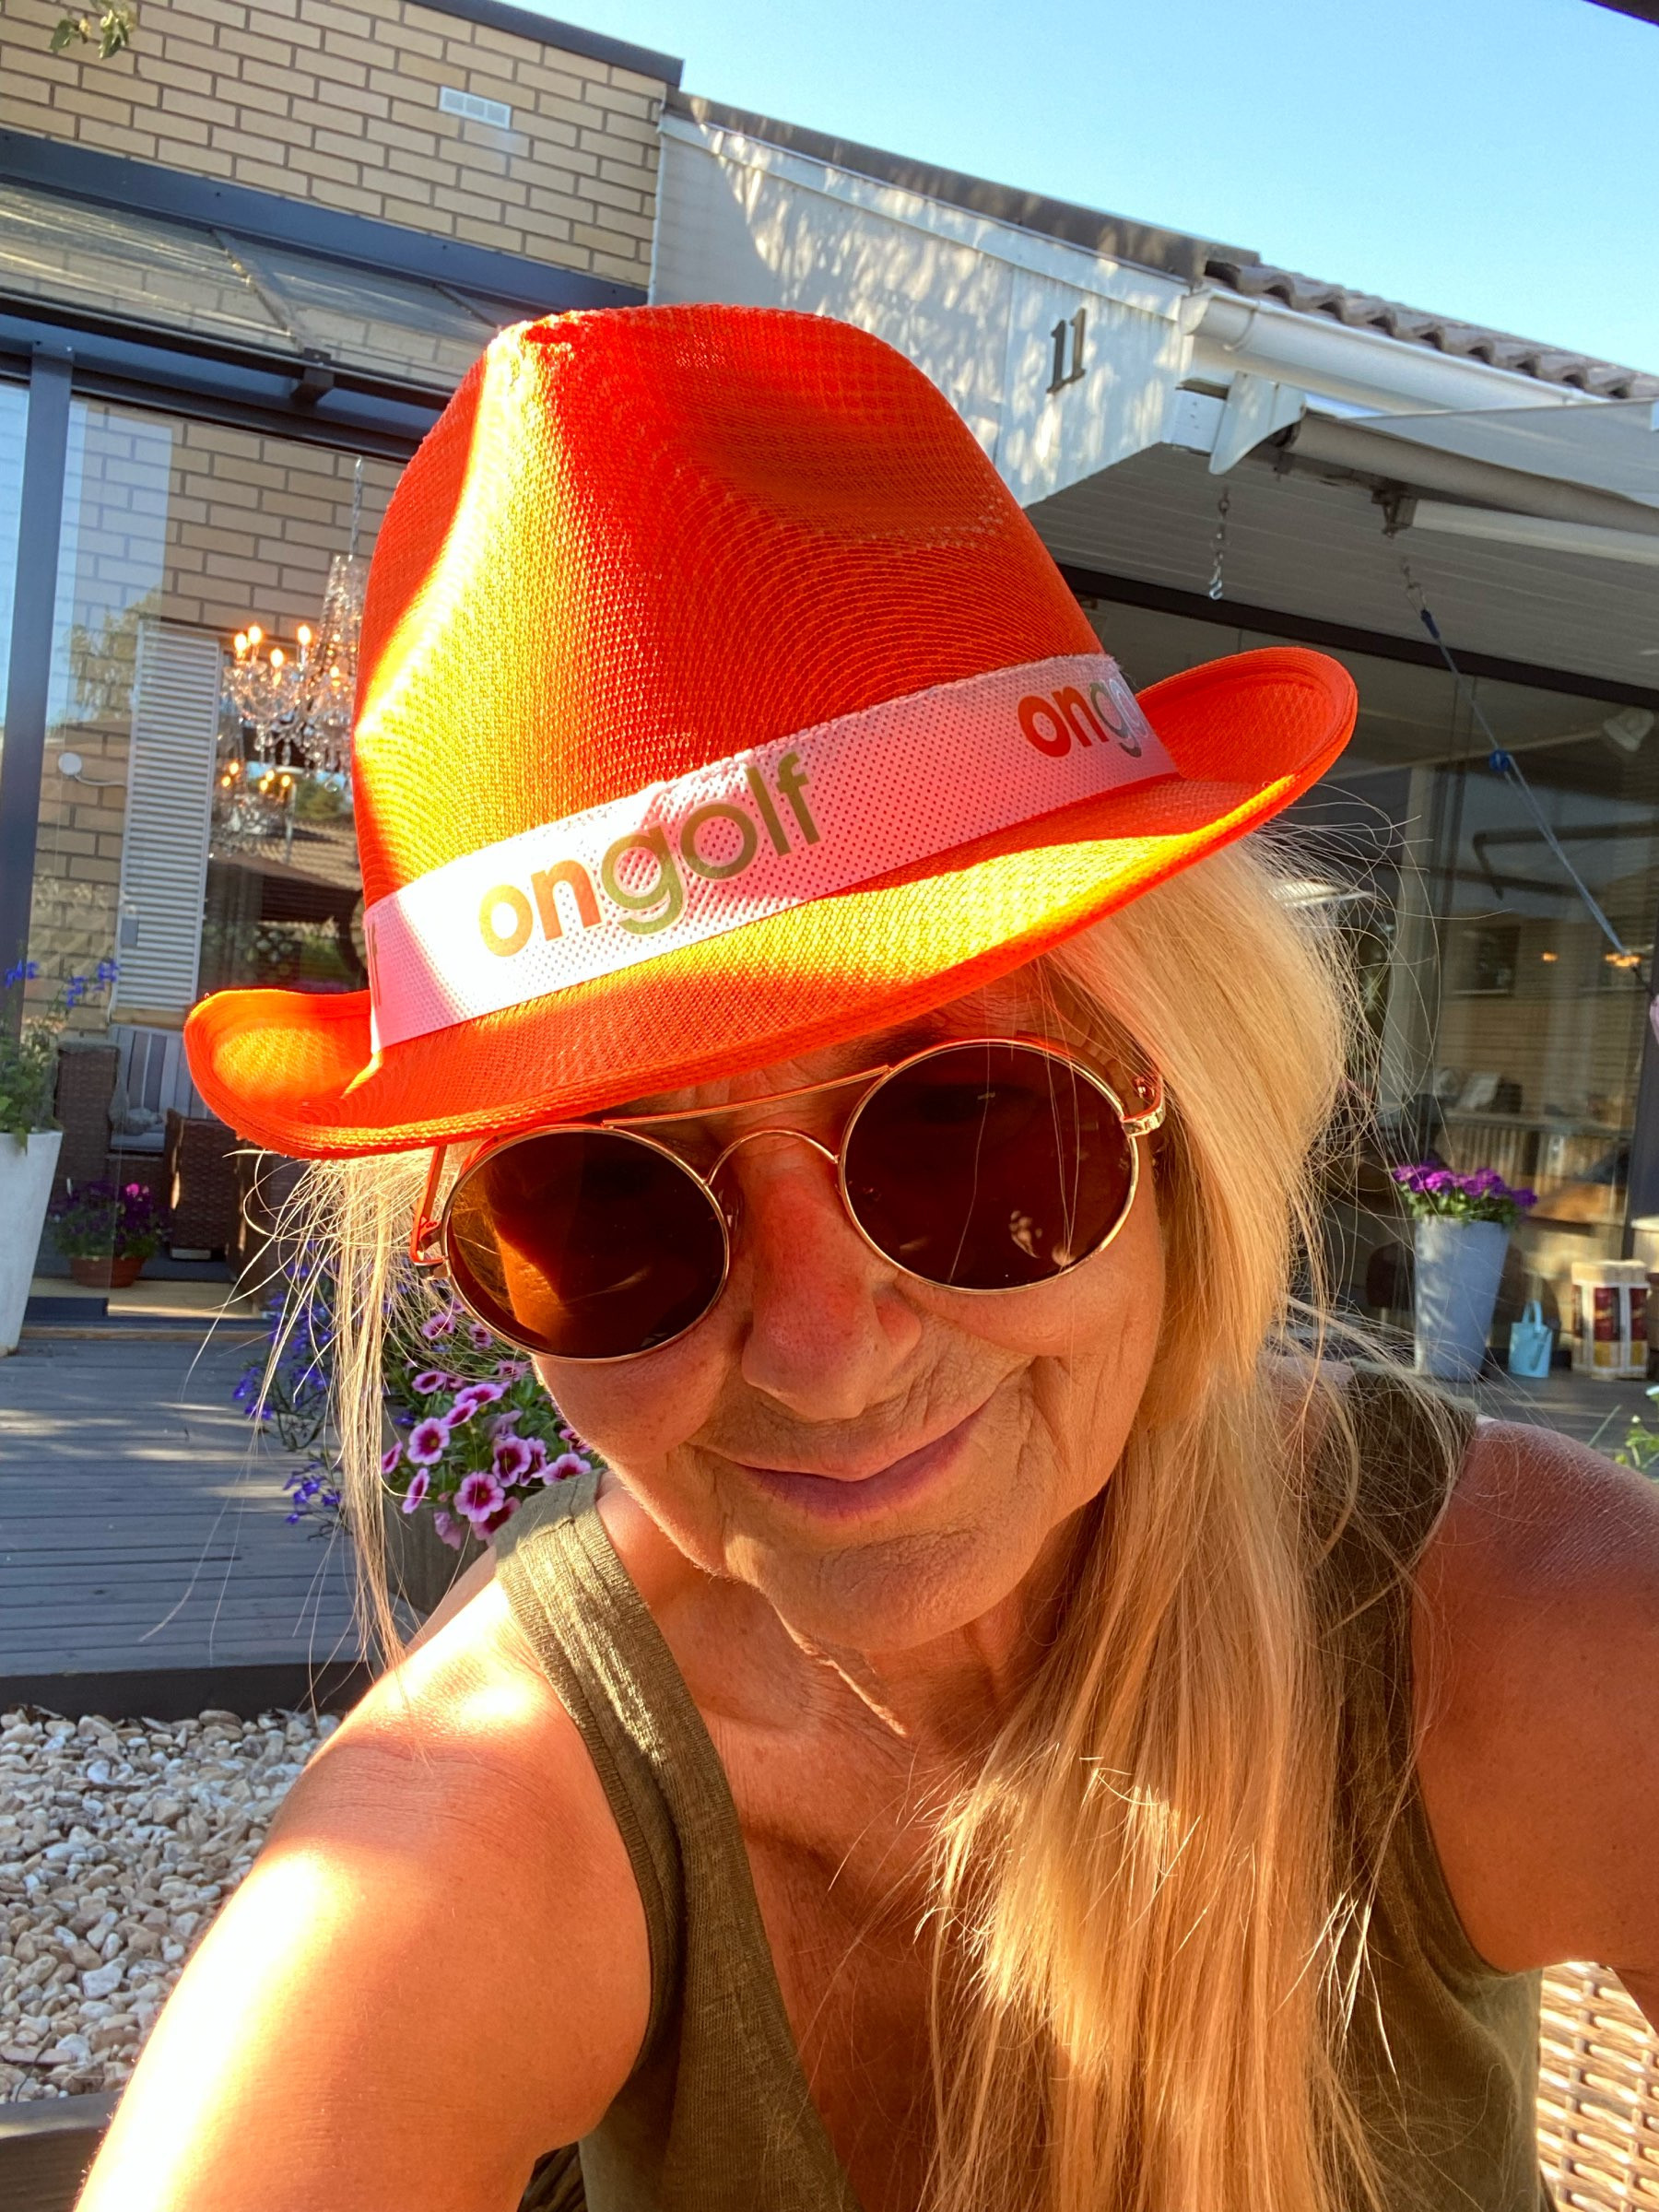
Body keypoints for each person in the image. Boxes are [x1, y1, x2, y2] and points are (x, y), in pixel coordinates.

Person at [79, 307, 1659, 2212]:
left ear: (1179, 1115)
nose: (822, 1354)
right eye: (606, 1206)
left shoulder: (1521, 1631)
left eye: (968, 1130)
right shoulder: (486, 1815)